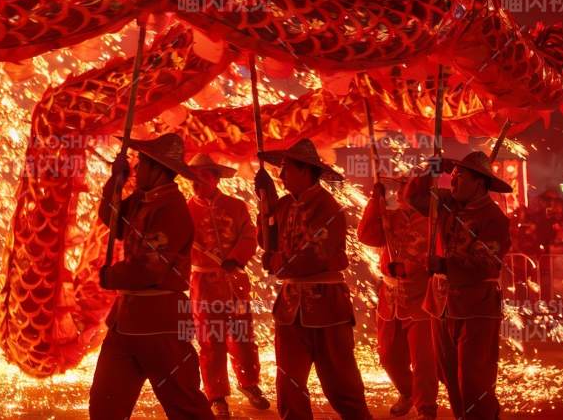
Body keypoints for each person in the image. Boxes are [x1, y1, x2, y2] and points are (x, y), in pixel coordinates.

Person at [90, 133, 215, 420]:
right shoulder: (141, 201)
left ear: (158, 169)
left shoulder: (172, 209)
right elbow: (112, 219)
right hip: (125, 323)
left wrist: (114, 276)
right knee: (104, 406)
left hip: (162, 324)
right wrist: (115, 182)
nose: (137, 168)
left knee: (185, 406)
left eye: (142, 163)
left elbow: (150, 268)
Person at [254, 138, 372, 420]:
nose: (280, 176)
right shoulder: (283, 206)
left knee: (340, 382)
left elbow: (313, 257)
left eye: (286, 169)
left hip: (326, 306)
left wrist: (277, 262)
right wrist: (265, 207)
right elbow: (267, 244)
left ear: (306, 171)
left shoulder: (327, 207)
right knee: (288, 383)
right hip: (290, 309)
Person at [406, 150, 512, 420]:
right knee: (449, 375)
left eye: (460, 176)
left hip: (477, 306)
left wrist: (444, 264)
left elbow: (487, 263)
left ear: (479, 183)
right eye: (451, 175)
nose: (452, 182)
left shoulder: (494, 218)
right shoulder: (446, 203)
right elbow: (413, 198)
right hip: (441, 304)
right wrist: (431, 169)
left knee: (474, 379)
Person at [185, 152, 268, 418]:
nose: (195, 184)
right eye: (192, 179)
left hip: (234, 280)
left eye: (200, 178)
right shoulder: (185, 210)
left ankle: (250, 384)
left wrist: (234, 259)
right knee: (211, 340)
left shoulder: (236, 206)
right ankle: (217, 395)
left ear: (214, 178)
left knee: (243, 335)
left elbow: (248, 235)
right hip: (203, 283)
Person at [357, 175, 436, 419]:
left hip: (421, 296)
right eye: (402, 188)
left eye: (409, 188)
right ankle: (407, 391)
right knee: (387, 354)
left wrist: (416, 267)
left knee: (423, 359)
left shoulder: (434, 221)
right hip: (390, 296)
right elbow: (366, 236)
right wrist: (374, 202)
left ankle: (426, 408)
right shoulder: (388, 217)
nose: (403, 192)